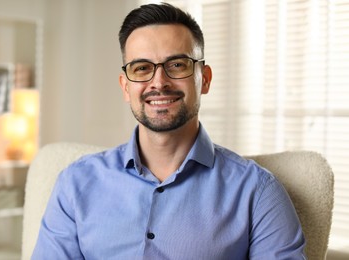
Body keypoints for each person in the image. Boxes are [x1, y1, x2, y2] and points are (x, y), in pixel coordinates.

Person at [32, 3, 305, 259]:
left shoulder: (257, 191)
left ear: (205, 79)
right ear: (126, 87)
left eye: (177, 65)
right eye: (141, 68)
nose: (159, 82)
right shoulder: (74, 184)